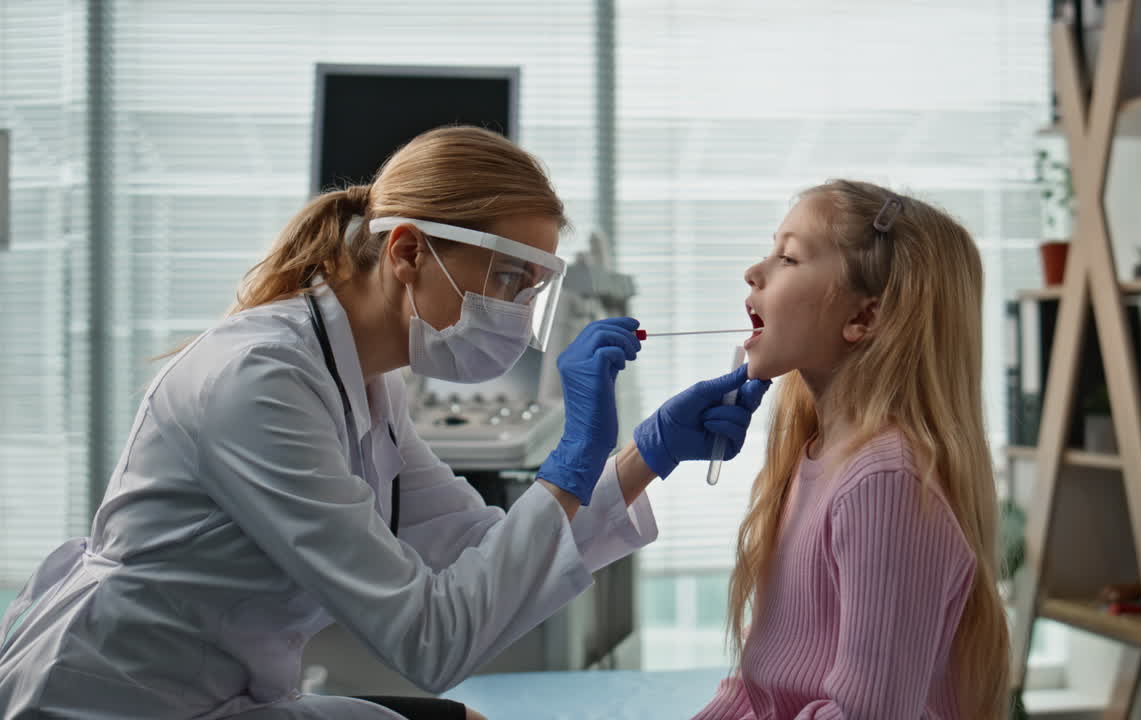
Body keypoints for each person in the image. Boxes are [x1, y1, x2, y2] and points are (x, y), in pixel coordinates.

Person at [0, 126, 771, 720]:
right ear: (406, 250)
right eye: (506, 277)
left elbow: (477, 548)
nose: (513, 312)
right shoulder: (260, 381)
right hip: (110, 698)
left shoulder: (368, 383)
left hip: (214, 695)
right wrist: (571, 457)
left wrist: (647, 454)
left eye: (531, 287)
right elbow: (429, 640)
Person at [692, 180, 1009, 719]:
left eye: (788, 257)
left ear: (863, 318)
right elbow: (756, 688)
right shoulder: (812, 459)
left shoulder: (884, 481)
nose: (754, 271)